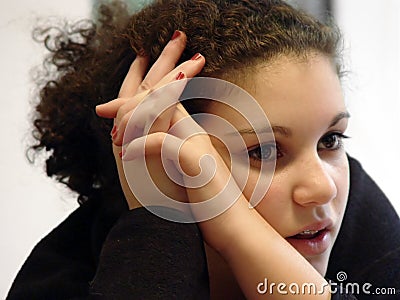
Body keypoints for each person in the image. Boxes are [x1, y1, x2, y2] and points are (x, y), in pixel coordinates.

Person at [7, 0, 400, 299]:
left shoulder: (356, 217)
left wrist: (232, 227)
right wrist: (162, 217)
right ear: (167, 161)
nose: (324, 188)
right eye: (263, 151)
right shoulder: (61, 278)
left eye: (330, 140)